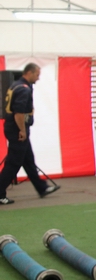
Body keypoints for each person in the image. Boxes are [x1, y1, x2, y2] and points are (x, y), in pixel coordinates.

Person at [0, 64, 60, 205]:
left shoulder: (15, 85)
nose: (38, 78)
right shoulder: (23, 89)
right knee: (13, 163)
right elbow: (19, 113)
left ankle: (41, 188)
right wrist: (22, 130)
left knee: (28, 160)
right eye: (37, 75)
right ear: (29, 72)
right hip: (17, 129)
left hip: (13, 127)